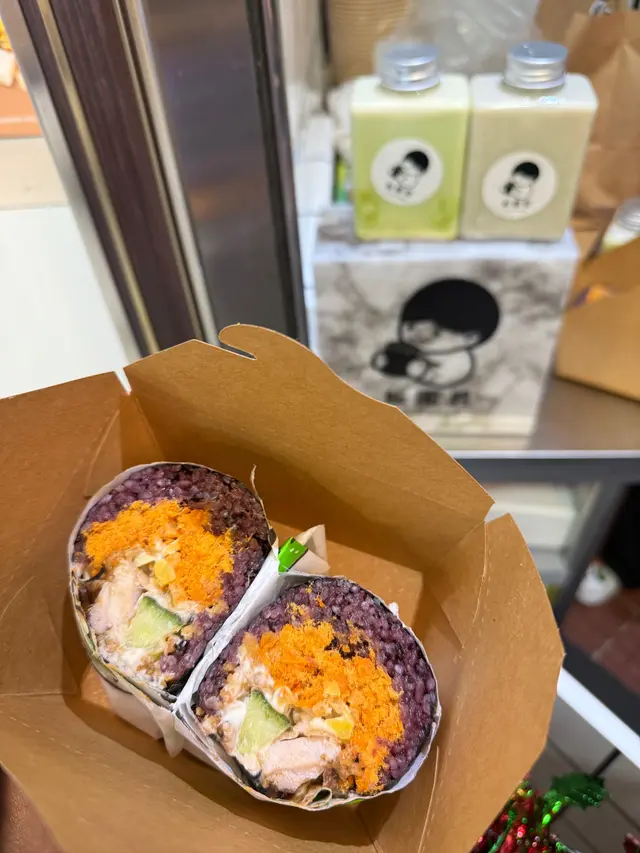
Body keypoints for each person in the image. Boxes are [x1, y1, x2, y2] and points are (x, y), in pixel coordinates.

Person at [372, 279, 500, 389]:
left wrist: (419, 370)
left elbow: (441, 377)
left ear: (469, 338)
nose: (413, 337)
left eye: (433, 333)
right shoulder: (405, 347)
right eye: (409, 327)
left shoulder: (460, 362)